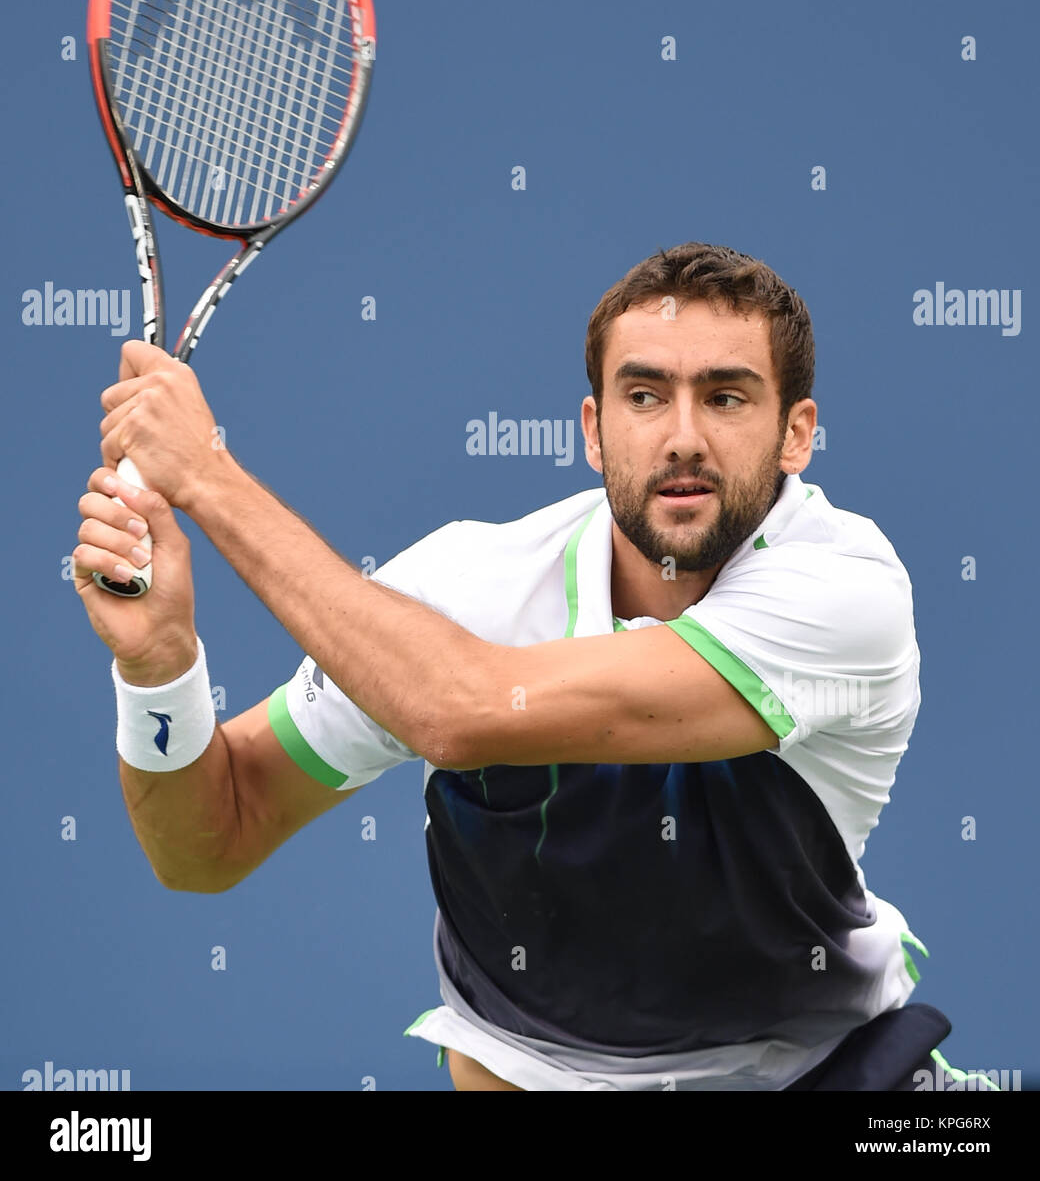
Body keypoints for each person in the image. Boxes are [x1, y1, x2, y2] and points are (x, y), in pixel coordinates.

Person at [73, 241, 957, 1092]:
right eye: (645, 396)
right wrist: (161, 666)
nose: (684, 436)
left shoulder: (844, 592)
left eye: (726, 398)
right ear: (595, 432)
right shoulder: (466, 588)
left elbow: (456, 708)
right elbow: (211, 838)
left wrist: (207, 476)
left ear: (797, 434)